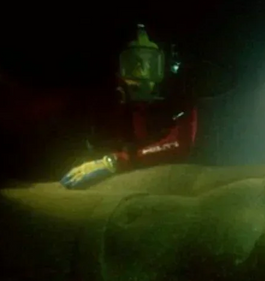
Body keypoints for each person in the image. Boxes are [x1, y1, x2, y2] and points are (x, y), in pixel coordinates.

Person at [60, 24, 199, 189]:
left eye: (152, 64)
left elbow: (182, 143)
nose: (142, 75)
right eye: (133, 64)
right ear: (118, 68)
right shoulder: (104, 98)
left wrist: (116, 160)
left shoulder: (179, 97)